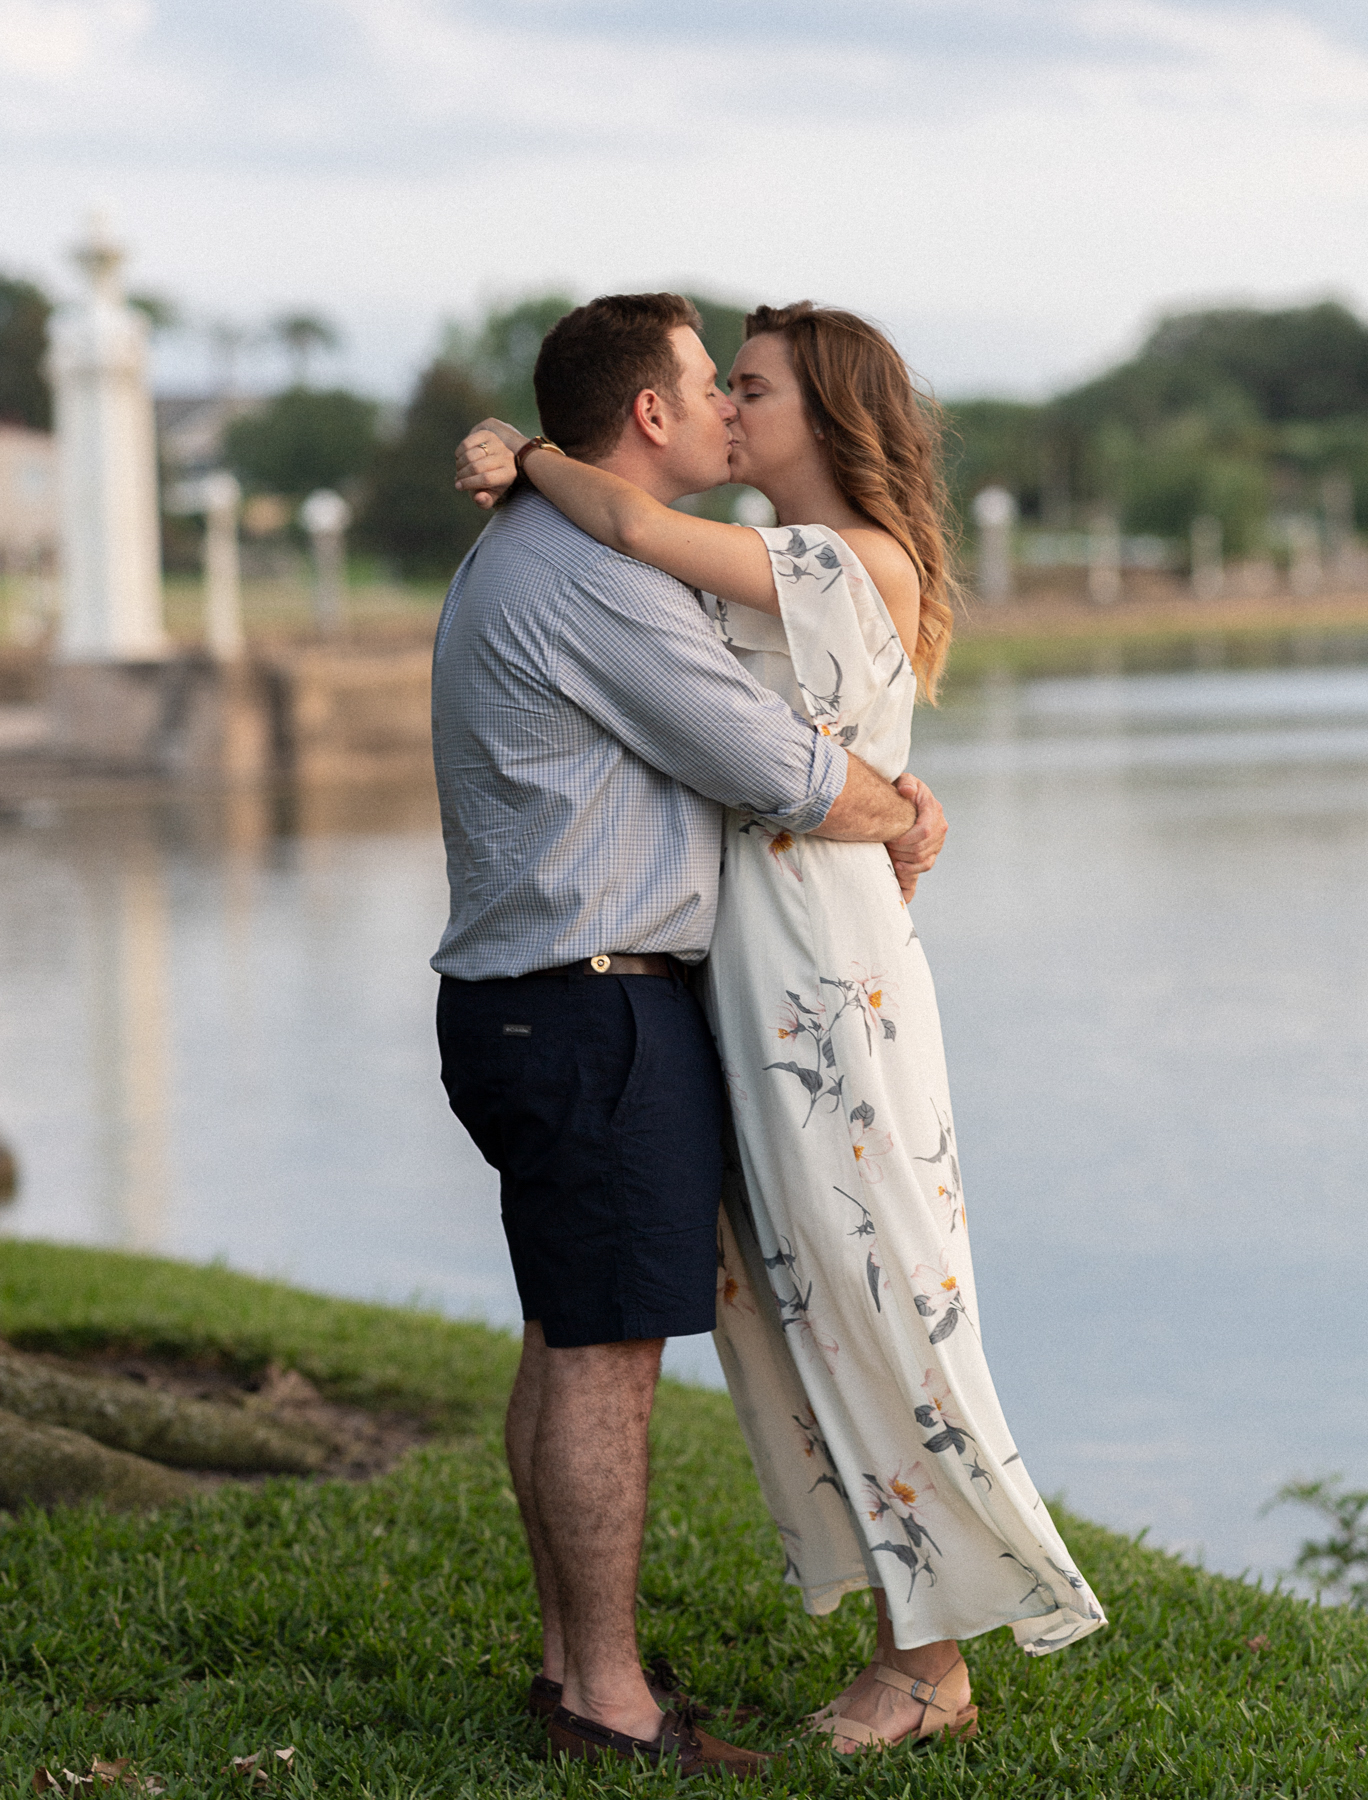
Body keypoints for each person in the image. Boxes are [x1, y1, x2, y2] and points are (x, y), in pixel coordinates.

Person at [455, 299, 1107, 1756]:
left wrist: (527, 455)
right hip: (742, 963)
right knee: (802, 1302)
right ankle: (871, 1629)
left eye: (752, 389)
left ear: (829, 419)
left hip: (820, 968)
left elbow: (625, 524)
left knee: (875, 1288)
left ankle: (926, 1660)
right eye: (721, 384)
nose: (730, 409)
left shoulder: (833, 557)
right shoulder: (751, 572)